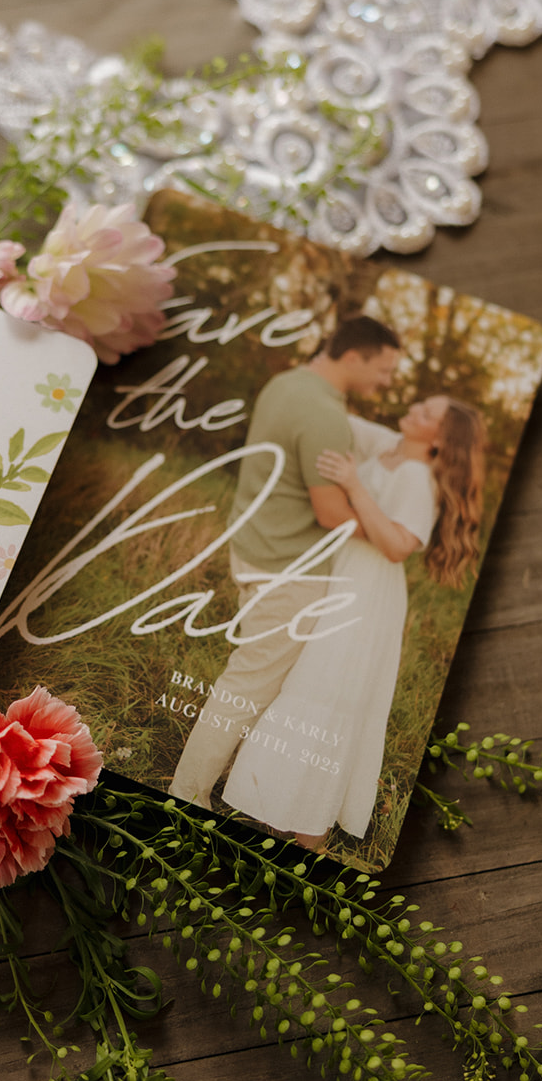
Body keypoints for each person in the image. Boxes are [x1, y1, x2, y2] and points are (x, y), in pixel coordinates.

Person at [220, 395, 486, 846]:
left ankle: (310, 838)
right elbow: (336, 414)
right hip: (341, 575)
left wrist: (354, 485)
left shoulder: (418, 477)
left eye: (427, 414)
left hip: (367, 592)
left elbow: (399, 545)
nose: (416, 407)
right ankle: (275, 810)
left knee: (329, 697)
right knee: (305, 687)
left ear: (439, 439)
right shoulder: (389, 447)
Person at [169, 314, 403, 810]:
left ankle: (235, 779)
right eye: (384, 370)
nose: (387, 381)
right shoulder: (324, 414)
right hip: (287, 569)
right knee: (248, 681)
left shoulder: (286, 383)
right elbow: (330, 511)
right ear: (355, 357)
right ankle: (187, 795)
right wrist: (390, 536)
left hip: (255, 546)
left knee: (257, 678)